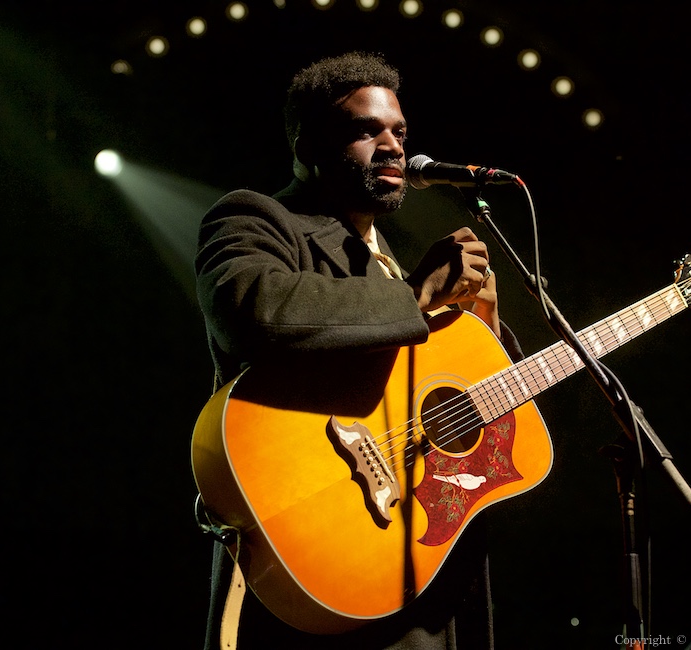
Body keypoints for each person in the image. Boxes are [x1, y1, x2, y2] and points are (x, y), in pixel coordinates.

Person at [194, 51, 522, 650]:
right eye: (366, 131)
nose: (393, 146)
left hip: (414, 556)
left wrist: (485, 329)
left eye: (399, 131)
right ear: (308, 146)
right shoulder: (257, 218)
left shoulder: (387, 255)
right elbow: (252, 311)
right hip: (315, 553)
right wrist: (416, 295)